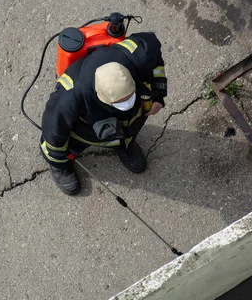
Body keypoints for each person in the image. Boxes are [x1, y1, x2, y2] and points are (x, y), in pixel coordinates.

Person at [40, 31, 167, 195]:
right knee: (60, 143)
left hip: (127, 125)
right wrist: (58, 158)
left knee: (131, 125)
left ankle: (125, 144)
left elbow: (155, 58)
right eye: (119, 103)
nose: (127, 105)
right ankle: (61, 166)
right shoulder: (71, 96)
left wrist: (158, 94)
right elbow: (53, 129)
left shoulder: (140, 54)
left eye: (130, 97)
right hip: (85, 131)